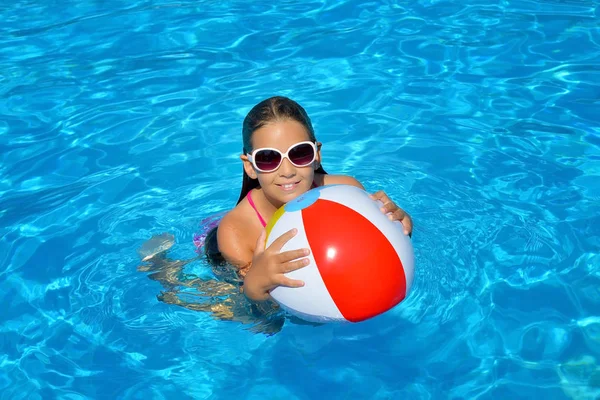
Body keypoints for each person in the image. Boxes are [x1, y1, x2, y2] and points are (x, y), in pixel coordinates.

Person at [204, 95, 413, 303]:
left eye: (300, 153)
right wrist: (254, 286)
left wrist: (401, 226)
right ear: (250, 166)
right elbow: (260, 316)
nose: (287, 171)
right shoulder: (237, 232)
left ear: (317, 155)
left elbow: (376, 257)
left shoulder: (348, 190)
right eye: (268, 158)